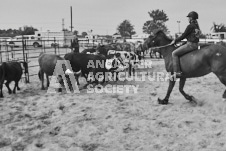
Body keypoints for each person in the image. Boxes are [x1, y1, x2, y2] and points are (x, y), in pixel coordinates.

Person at [170, 11, 201, 77]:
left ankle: (177, 72)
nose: (188, 19)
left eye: (189, 17)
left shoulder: (190, 26)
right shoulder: (196, 26)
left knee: (174, 53)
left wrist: (175, 40)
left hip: (191, 45)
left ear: (191, 18)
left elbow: (183, 35)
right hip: (195, 44)